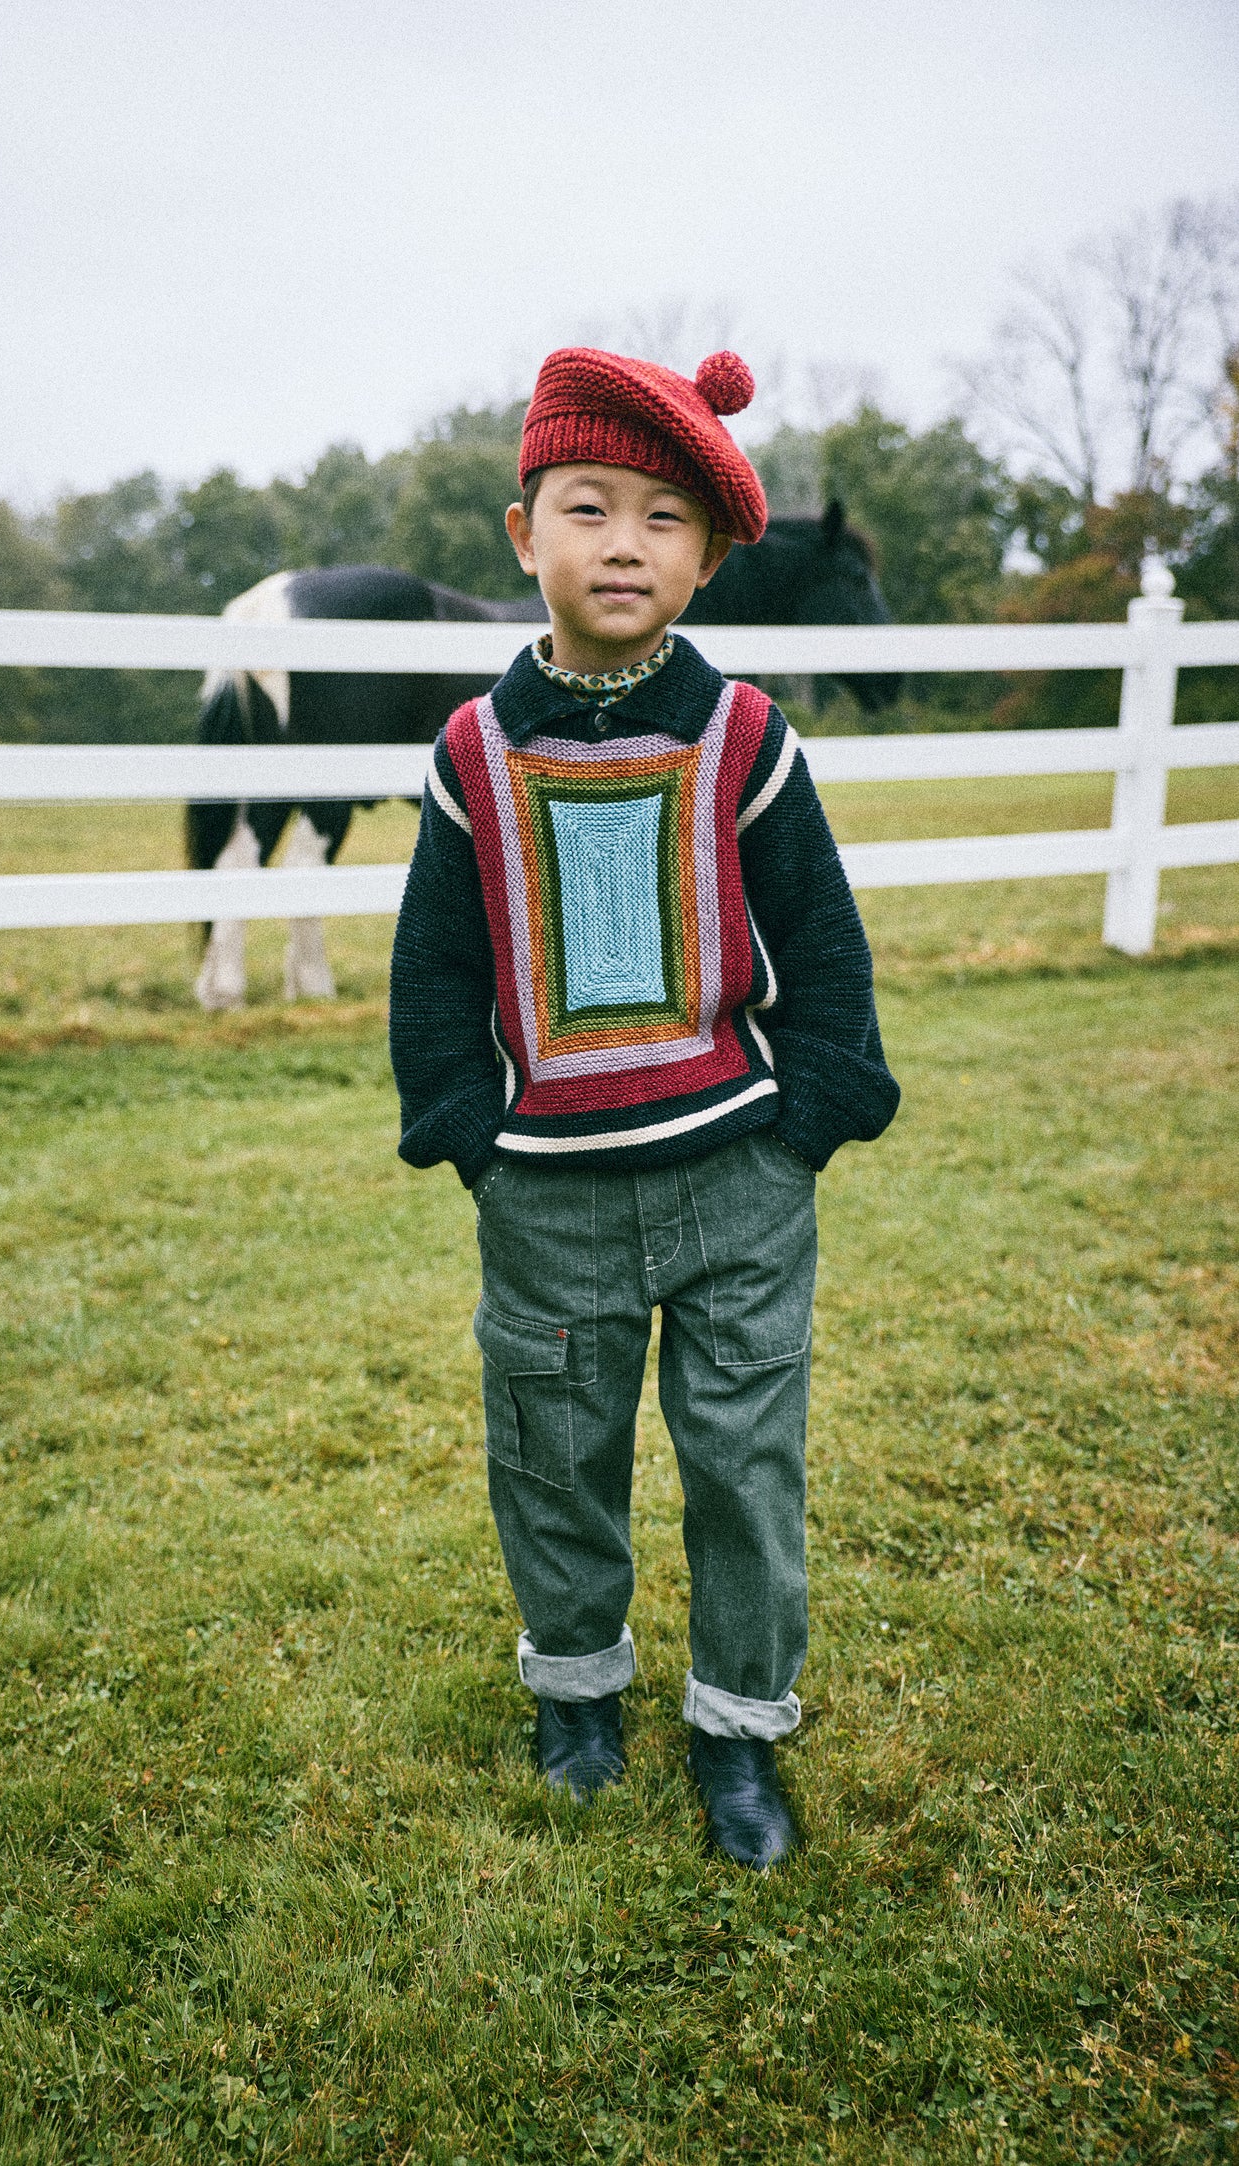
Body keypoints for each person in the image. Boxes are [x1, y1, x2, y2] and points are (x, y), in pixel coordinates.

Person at [388, 347, 899, 1868]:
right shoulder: (471, 760)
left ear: (709, 555)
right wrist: (468, 1133)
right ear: (522, 533)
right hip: (544, 1191)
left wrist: (807, 1115)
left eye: (664, 518)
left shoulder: (745, 737)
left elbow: (818, 940)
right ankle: (578, 1693)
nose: (624, 542)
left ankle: (739, 1727)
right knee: (551, 1445)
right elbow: (433, 964)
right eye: (588, 507)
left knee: (743, 1455)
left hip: (737, 1174)